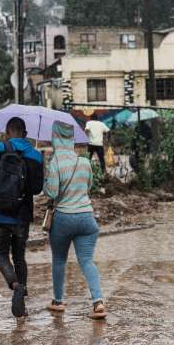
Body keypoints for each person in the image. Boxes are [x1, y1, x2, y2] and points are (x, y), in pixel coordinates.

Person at [0, 117, 44, 318]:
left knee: (1, 255)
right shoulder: (35, 154)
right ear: (25, 133)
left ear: (8, 132)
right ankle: (22, 298)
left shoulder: (0, 148)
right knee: (19, 256)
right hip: (22, 215)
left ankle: (14, 284)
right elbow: (36, 189)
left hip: (0, 213)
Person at [44, 121, 106, 319]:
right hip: (87, 219)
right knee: (87, 261)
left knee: (60, 260)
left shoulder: (55, 163)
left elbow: (52, 192)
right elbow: (88, 188)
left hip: (63, 219)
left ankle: (58, 301)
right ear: (71, 139)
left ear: (56, 138)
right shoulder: (84, 162)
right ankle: (98, 302)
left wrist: (46, 178)